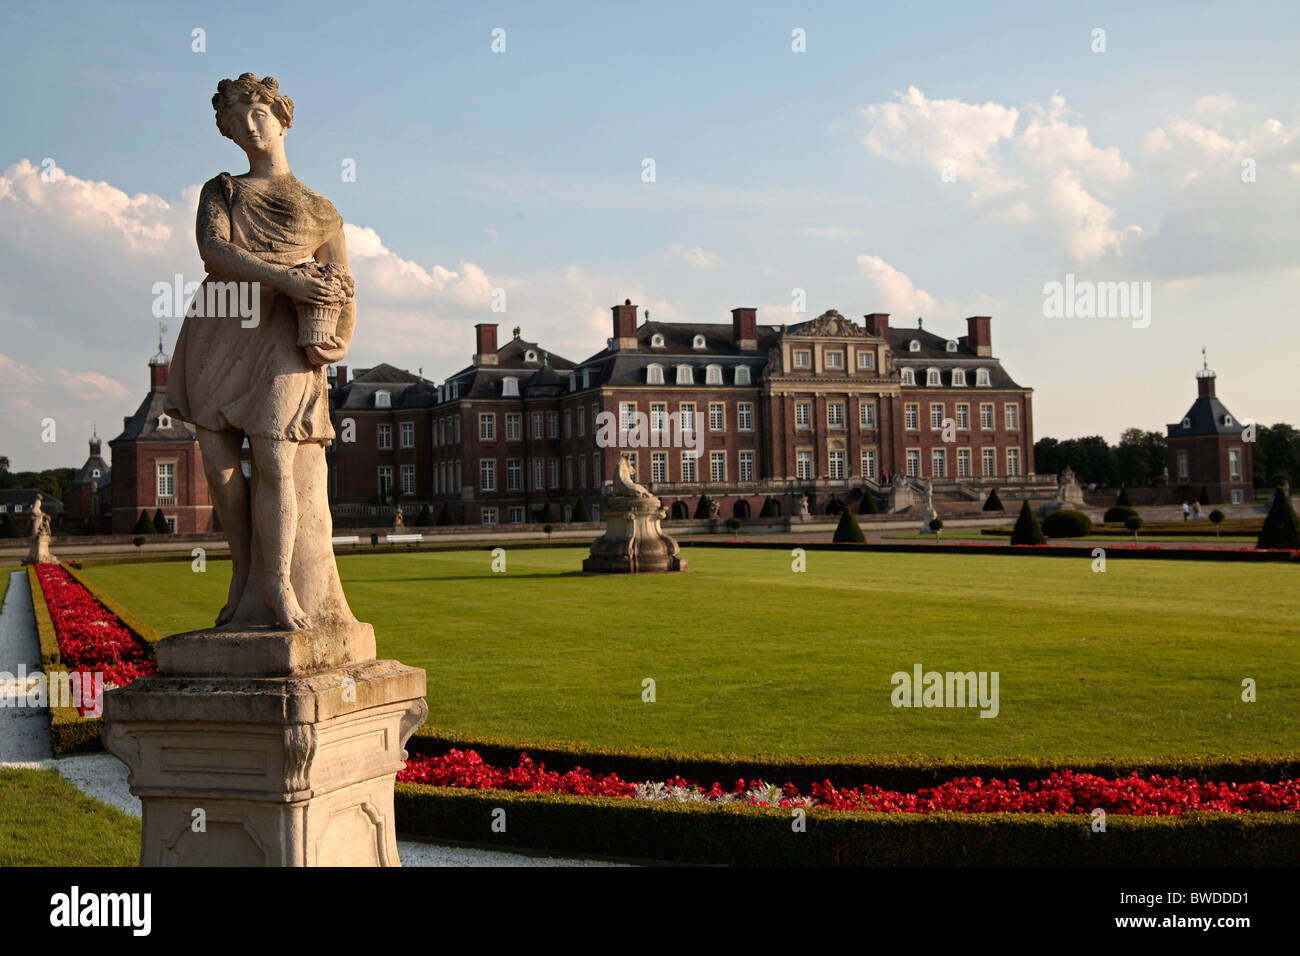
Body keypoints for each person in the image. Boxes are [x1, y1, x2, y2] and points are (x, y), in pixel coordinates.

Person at [164, 74, 356, 631]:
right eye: (236, 121)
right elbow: (214, 251)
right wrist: (290, 281)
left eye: (258, 115)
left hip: (283, 337)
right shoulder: (221, 189)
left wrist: (335, 337)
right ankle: (244, 575)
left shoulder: (319, 208)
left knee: (274, 455)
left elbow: (342, 281)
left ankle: (276, 586)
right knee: (219, 462)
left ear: (281, 119)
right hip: (219, 327)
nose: (249, 127)